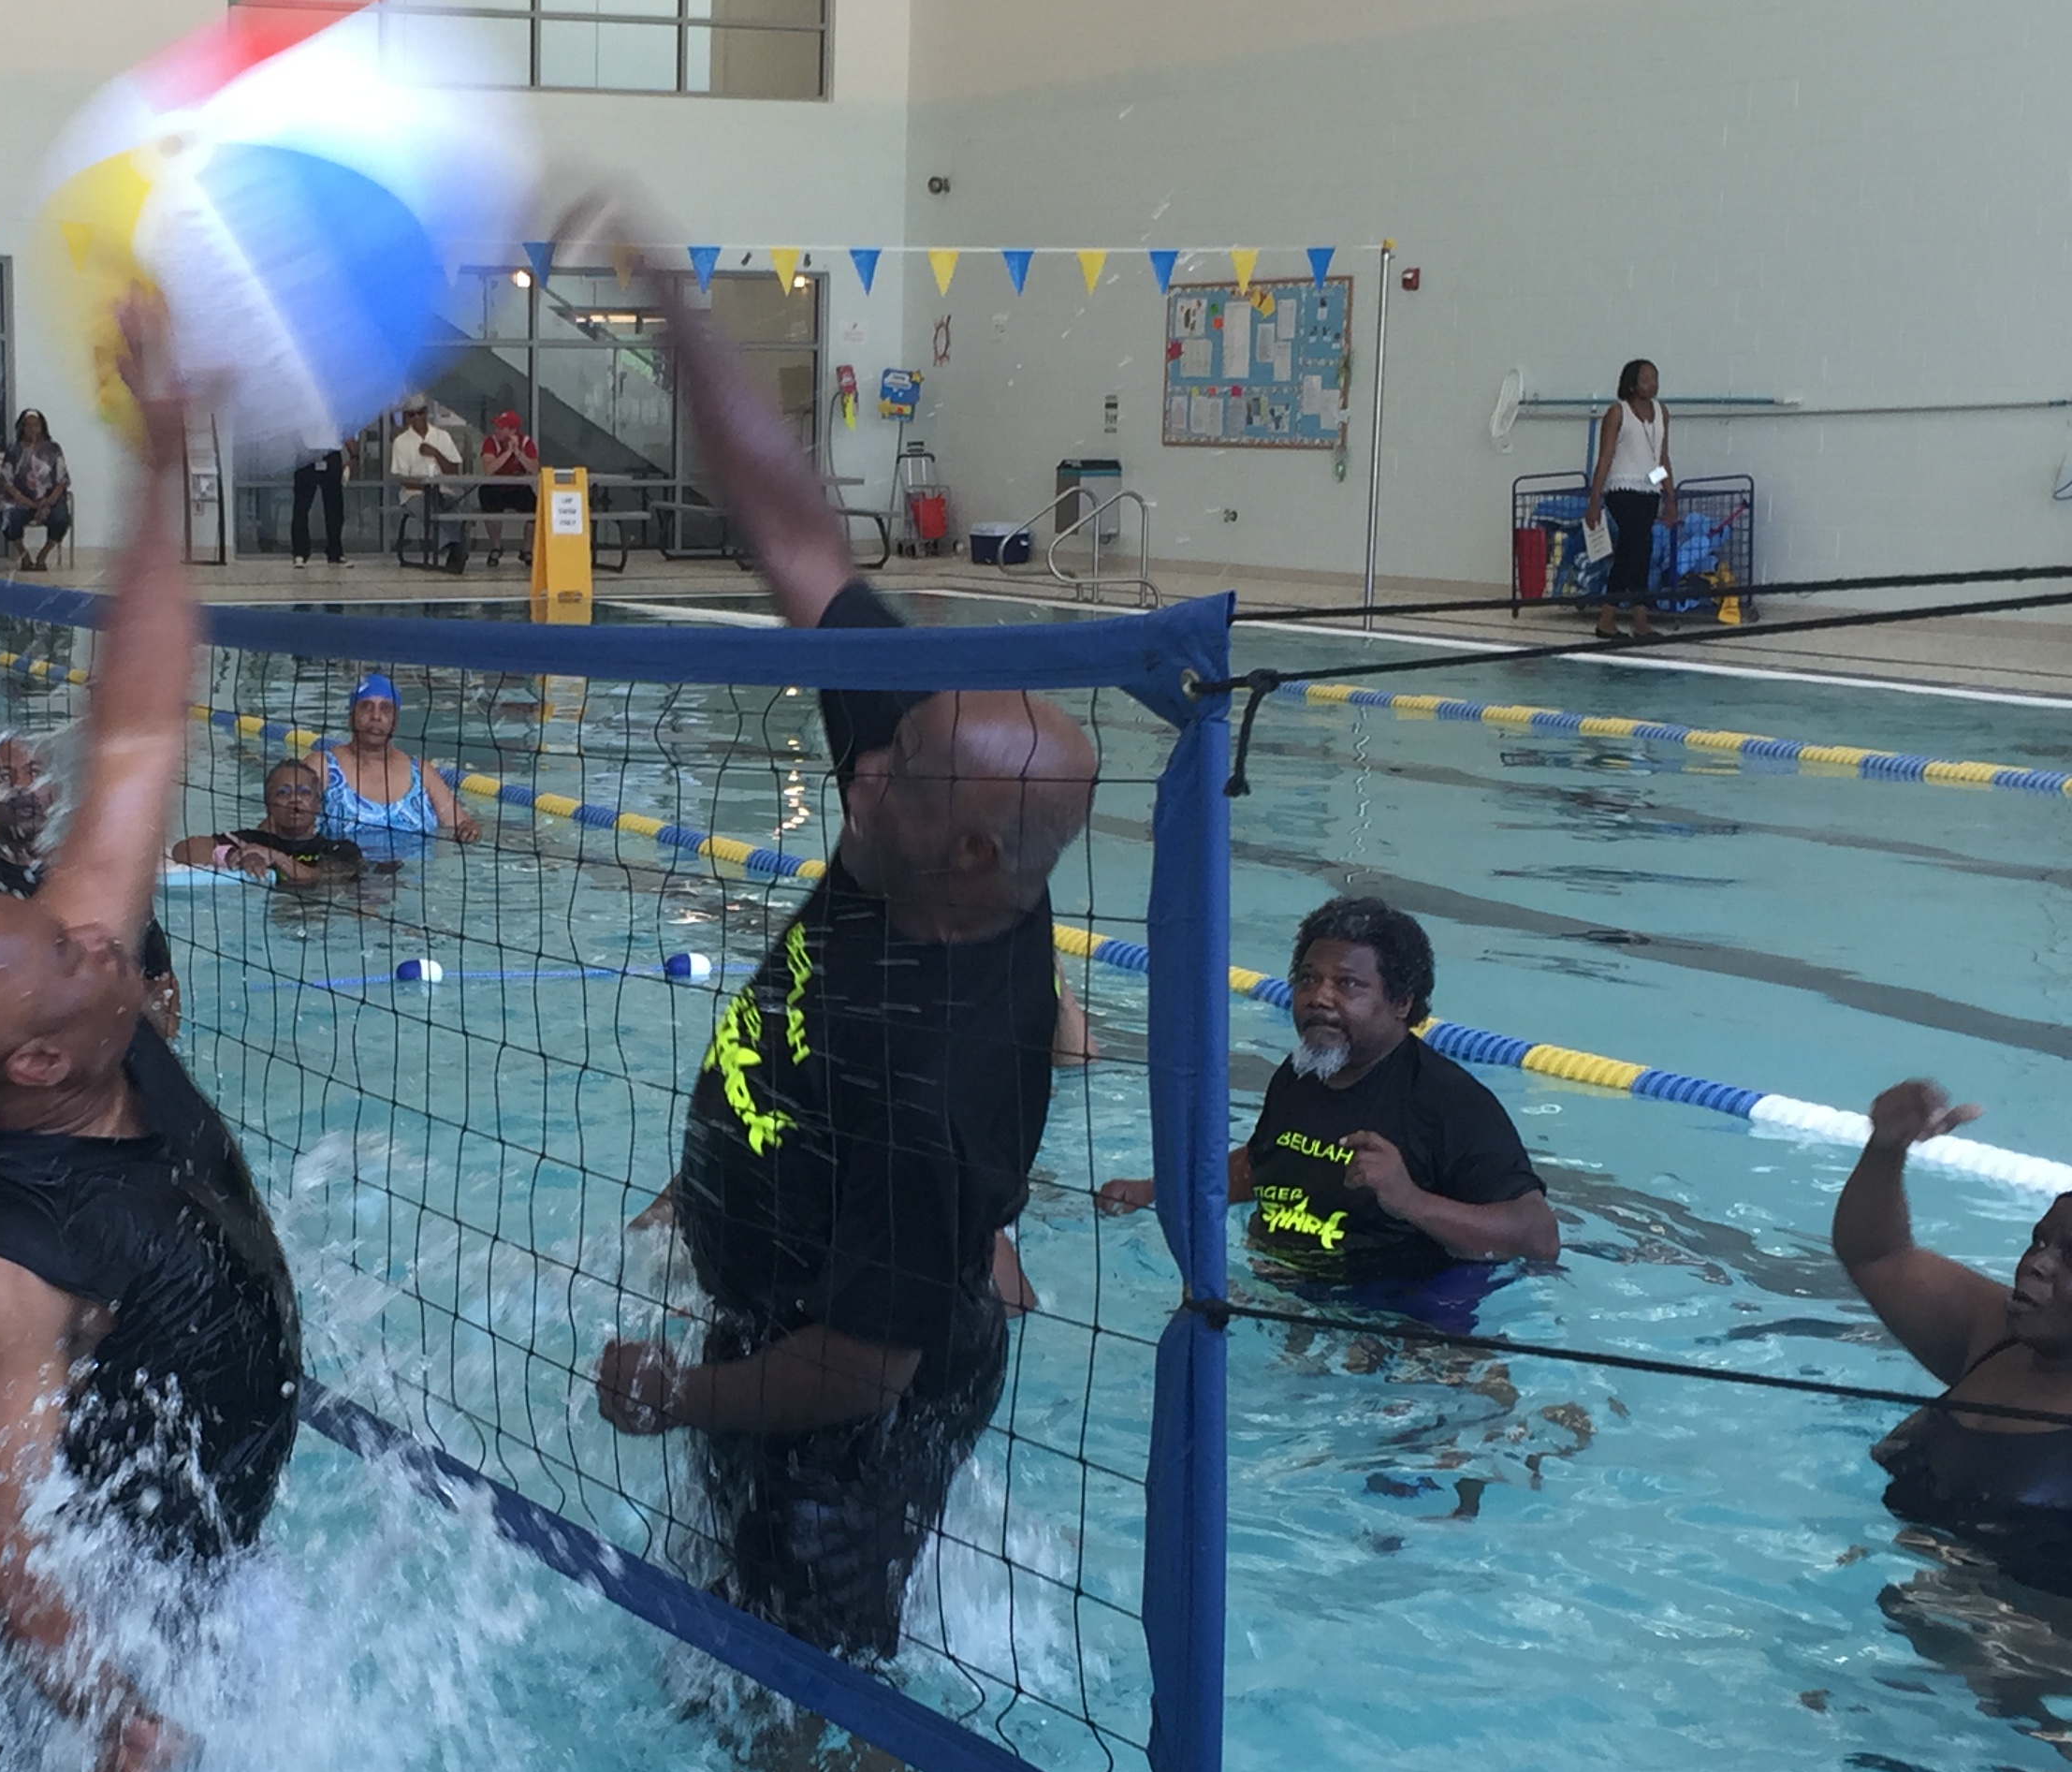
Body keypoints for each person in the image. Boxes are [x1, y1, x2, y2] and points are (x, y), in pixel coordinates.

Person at [586, 231, 1102, 1666]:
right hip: (793, 1294)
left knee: (813, 1706)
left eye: (894, 779)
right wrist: (682, 326)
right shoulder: (925, 788)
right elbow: (799, 536)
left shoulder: (939, 1075)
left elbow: (860, 1369)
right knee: (725, 1659)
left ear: (971, 855)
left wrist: (681, 1397)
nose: (857, 774)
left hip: (849, 1407)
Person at [0, 297, 299, 1772]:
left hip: (180, 1581)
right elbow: (8, 1545)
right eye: (69, 949)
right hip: (34, 1669)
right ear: (38, 1058)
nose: (99, 929)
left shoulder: (72, 1010)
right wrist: (110, 1715)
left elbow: (133, 725)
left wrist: (164, 448)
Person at [1095, 898, 1559, 1305]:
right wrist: (1157, 1191)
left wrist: (1411, 1201)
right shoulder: (1301, 1073)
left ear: (1402, 1002)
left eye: (1348, 984)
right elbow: (1264, 1163)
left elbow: (1539, 1237)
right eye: (1308, 979)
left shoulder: (1451, 1103)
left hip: (1393, 1310)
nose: (1319, 997)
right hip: (1287, 1288)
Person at [1836, 1079, 2072, 1548]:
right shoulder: (1998, 1337)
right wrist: (1886, 1150)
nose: (2037, 1264)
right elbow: (1876, 1255)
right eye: (2039, 1241)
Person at [0, 728, 181, 1036]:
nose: (22, 786)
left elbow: (161, 992)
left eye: (34, 773)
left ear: (55, 790)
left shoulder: (104, 884)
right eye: (4, 777)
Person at [314, 673, 479, 847]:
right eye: (366, 707)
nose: (376, 716)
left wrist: (470, 831)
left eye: (385, 708)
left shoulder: (421, 773)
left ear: (395, 721)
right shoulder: (323, 767)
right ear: (351, 717)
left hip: (414, 864)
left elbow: (462, 824)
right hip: (347, 864)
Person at [1583, 358, 1678, 644]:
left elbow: (1661, 458)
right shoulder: (1617, 412)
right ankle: (1614, 617)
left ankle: (1632, 620)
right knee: (1634, 544)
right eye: (1646, 379)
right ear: (1632, 383)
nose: (1652, 384)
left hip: (1649, 490)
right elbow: (1605, 457)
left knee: (1639, 549)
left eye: (1655, 378)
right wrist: (1594, 500)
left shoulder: (1662, 412)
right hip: (1621, 489)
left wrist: (1670, 496)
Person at [171, 757, 366, 887]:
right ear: (267, 806)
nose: (295, 800)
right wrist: (232, 856)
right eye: (283, 793)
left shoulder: (339, 849)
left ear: (319, 803)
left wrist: (276, 858)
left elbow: (324, 879)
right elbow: (183, 850)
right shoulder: (252, 842)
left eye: (304, 792)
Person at [389, 401, 470, 576]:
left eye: (420, 412)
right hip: (414, 493)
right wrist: (426, 487)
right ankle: (454, 546)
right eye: (412, 414)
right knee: (427, 509)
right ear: (407, 417)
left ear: (426, 412)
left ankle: (453, 549)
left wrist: (436, 454)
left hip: (443, 490)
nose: (417, 417)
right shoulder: (400, 442)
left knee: (452, 509)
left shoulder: (443, 437)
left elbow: (454, 471)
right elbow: (403, 479)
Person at [0, 410, 72, 575]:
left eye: (36, 425)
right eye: (28, 426)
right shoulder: (14, 450)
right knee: (8, 517)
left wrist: (48, 502)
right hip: (21, 500)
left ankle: (42, 556)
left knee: (61, 519)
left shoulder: (53, 449)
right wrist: (29, 503)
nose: (33, 429)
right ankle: (24, 556)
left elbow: (62, 480)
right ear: (22, 428)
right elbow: (6, 482)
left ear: (42, 427)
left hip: (49, 501)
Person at [477, 406, 539, 567]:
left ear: (513, 431)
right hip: (495, 487)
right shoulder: (490, 442)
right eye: (496, 426)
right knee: (488, 501)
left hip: (519, 487)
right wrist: (507, 454)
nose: (496, 430)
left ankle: (527, 550)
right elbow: (488, 470)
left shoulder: (526, 442)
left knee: (537, 509)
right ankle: (496, 546)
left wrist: (518, 453)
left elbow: (534, 469)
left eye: (501, 428)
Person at [288, 434, 347, 569]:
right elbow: (294, 432)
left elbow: (344, 431)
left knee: (334, 506)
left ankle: (335, 552)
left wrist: (353, 455)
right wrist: (303, 450)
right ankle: (300, 552)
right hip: (307, 453)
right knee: (301, 507)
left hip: (331, 453)